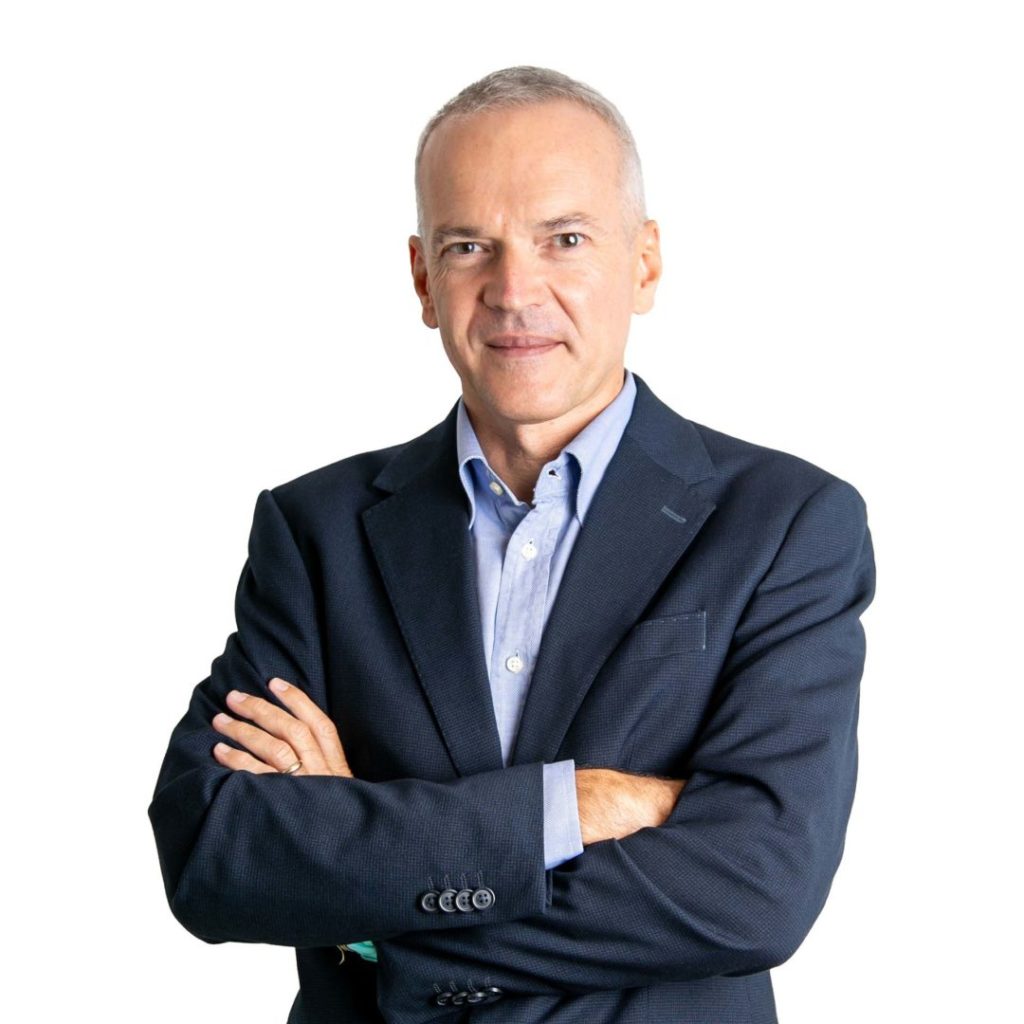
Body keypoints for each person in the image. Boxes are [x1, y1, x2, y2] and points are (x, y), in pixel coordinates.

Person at [148, 65, 876, 1024]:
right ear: (423, 279)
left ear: (644, 263)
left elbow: (756, 888)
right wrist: (569, 808)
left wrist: (371, 914)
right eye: (468, 247)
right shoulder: (315, 531)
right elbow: (214, 853)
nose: (513, 289)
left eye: (564, 239)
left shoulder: (785, 525)